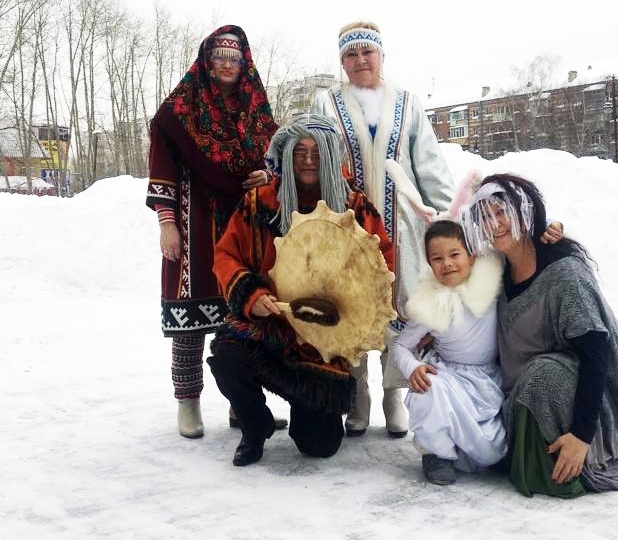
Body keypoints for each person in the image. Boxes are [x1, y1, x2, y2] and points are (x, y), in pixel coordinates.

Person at [206, 114, 395, 466]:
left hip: (322, 339)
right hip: (269, 325)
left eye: (317, 152)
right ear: (286, 155)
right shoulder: (259, 201)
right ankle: (255, 423)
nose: (308, 160)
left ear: (330, 156)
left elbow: (382, 261)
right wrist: (251, 295)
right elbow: (225, 254)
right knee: (226, 355)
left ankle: (304, 413)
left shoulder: (354, 207)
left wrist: (354, 306)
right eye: (299, 152)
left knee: (318, 445)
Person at [461, 173, 618, 498]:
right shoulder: (496, 270)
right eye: (484, 216)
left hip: (578, 394)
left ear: (524, 212)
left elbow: (597, 354)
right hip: (517, 393)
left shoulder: (564, 275)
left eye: (501, 212)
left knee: (543, 374)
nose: (493, 223)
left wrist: (581, 436)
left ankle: (574, 457)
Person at [312, 20, 454, 437]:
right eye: (351, 55)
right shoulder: (326, 105)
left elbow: (429, 166)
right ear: (342, 62)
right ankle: (358, 397)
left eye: (367, 53)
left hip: (402, 230)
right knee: (352, 308)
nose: (360, 61)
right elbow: (310, 158)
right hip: (348, 229)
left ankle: (394, 397)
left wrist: (446, 217)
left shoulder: (408, 104)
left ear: (381, 57)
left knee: (400, 309)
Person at [146, 25, 283, 438]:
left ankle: (243, 405)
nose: (228, 63)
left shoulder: (256, 112)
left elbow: (276, 162)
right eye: (221, 56)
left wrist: (266, 176)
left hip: (244, 228)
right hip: (193, 225)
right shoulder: (177, 113)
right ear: (207, 61)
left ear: (245, 64)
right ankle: (188, 404)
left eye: (235, 57)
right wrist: (167, 223)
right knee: (190, 322)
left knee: (242, 318)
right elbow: (162, 171)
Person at [390, 220, 507, 485]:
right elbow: (400, 346)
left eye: (455, 255)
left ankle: (473, 450)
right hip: (449, 373)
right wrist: (413, 368)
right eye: (437, 259)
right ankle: (436, 454)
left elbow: (521, 244)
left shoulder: (493, 280)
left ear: (472, 255)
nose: (447, 264)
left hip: (487, 379)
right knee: (428, 390)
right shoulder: (430, 303)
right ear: (430, 265)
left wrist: (552, 228)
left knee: (494, 450)